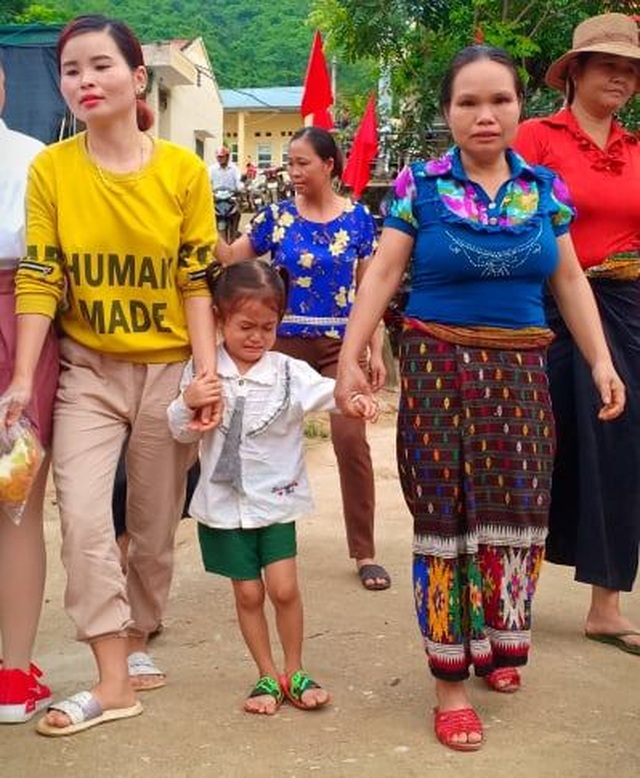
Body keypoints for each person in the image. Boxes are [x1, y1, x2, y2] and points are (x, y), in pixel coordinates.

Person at [334, 45, 625, 752]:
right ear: (447, 113)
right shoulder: (419, 186)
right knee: (446, 522)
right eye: (468, 102)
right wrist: (350, 356)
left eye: (499, 100)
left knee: (517, 518)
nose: (484, 115)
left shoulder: (543, 189)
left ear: (521, 110)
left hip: (523, 373)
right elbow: (381, 277)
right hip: (438, 371)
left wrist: (600, 361)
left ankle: (499, 644)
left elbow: (570, 283)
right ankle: (449, 682)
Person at [0, 14, 218, 736]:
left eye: (99, 66)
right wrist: (20, 379)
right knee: (86, 521)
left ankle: (139, 632)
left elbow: (197, 283)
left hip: (165, 373)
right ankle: (111, 678)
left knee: (153, 531)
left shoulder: (183, 172)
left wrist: (207, 375)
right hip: (87, 372)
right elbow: (40, 278)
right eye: (70, 71)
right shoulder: (51, 170)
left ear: (134, 75)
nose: (84, 81)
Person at [167, 259, 378, 714]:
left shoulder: (287, 372)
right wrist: (188, 403)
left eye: (268, 326)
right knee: (247, 594)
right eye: (245, 326)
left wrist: (355, 400)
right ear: (220, 319)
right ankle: (266, 675)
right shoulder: (203, 372)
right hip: (224, 507)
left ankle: (295, 669)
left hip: (276, 503)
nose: (257, 337)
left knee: (283, 589)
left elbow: (330, 394)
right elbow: (181, 432)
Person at [215, 126, 391, 591]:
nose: (292, 172)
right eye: (289, 163)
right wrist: (198, 220)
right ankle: (250, 531)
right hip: (281, 345)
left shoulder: (358, 220)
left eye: (302, 163)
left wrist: (373, 349)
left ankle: (365, 551)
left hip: (340, 345)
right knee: (254, 432)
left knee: (351, 440)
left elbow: (369, 290)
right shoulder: (275, 217)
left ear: (329, 165)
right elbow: (233, 258)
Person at [514, 12, 640, 656]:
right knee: (536, 444)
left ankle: (607, 605)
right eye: (607, 64)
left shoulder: (637, 150)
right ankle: (513, 596)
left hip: (625, 306)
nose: (620, 75)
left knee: (618, 448)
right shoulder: (537, 137)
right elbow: (510, 214)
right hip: (545, 306)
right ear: (577, 72)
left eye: (630, 68)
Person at [0, 55, 59, 725]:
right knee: (15, 503)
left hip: (24, 311)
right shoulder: (30, 158)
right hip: (22, 316)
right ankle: (13, 677)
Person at [210, 145, 242, 238]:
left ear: (227, 157)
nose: (220, 159)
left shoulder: (234, 168)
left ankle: (235, 230)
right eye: (218, 157)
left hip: (231, 198)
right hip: (217, 198)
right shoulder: (212, 169)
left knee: (238, 211)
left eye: (222, 157)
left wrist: (240, 188)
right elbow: (207, 182)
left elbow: (238, 180)